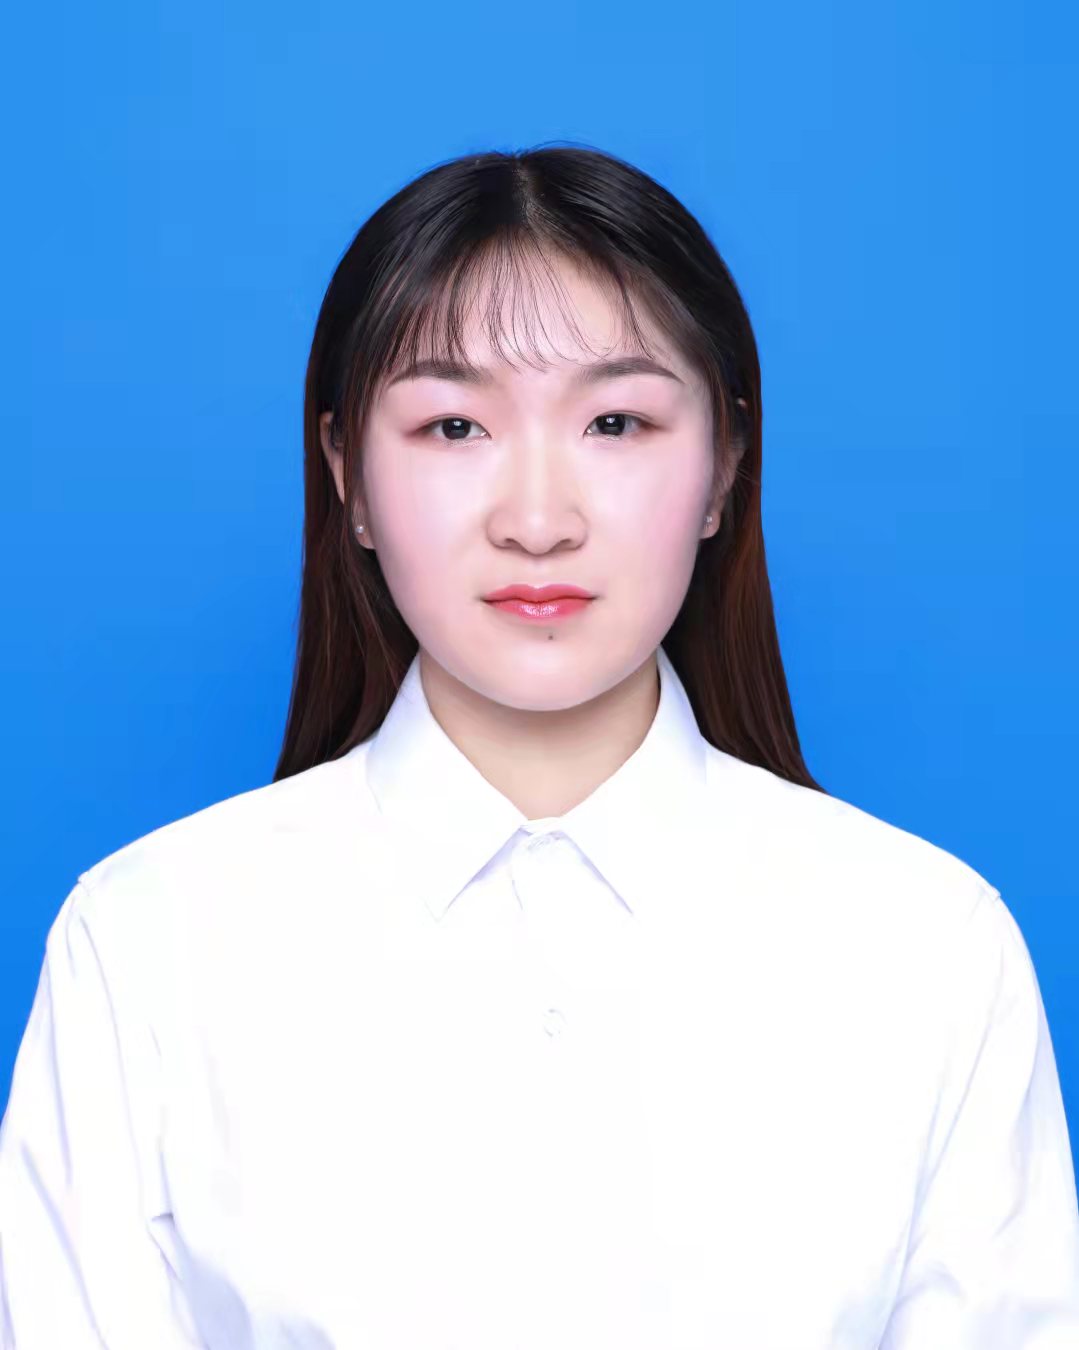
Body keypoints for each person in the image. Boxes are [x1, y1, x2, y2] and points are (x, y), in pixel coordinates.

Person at [1, 145, 1076, 1349]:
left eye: (615, 421)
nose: (536, 520)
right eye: (452, 425)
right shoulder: (147, 945)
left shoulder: (927, 950)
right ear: (347, 475)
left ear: (723, 466)